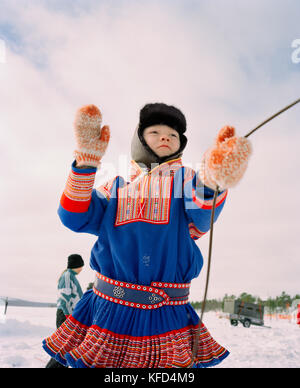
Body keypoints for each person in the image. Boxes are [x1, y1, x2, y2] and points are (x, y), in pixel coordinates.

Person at [43, 103, 252, 368]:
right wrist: (85, 163)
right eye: (155, 131)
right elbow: (74, 216)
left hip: (164, 317)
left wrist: (212, 180)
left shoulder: (186, 181)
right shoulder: (116, 186)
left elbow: (201, 216)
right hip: (106, 308)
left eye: (173, 135)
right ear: (139, 139)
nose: (165, 136)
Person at [45, 254, 84, 368]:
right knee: (64, 345)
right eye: (81, 265)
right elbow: (64, 298)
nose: (82, 268)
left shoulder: (71, 276)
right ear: (77, 265)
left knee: (67, 345)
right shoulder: (67, 276)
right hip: (65, 314)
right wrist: (68, 315)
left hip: (70, 315)